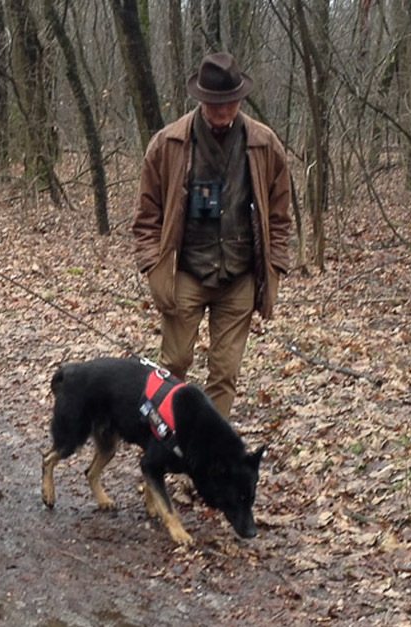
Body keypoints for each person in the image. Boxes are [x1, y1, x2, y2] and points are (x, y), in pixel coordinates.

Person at [133, 52, 292, 419]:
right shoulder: (167, 143)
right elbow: (146, 216)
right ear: (201, 100)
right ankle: (165, 440)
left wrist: (275, 265)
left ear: (240, 98)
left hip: (240, 276)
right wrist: (151, 265)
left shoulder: (264, 144)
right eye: (215, 104)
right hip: (186, 270)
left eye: (230, 103)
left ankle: (208, 453)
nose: (223, 111)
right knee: (172, 365)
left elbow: (280, 215)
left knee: (225, 372)